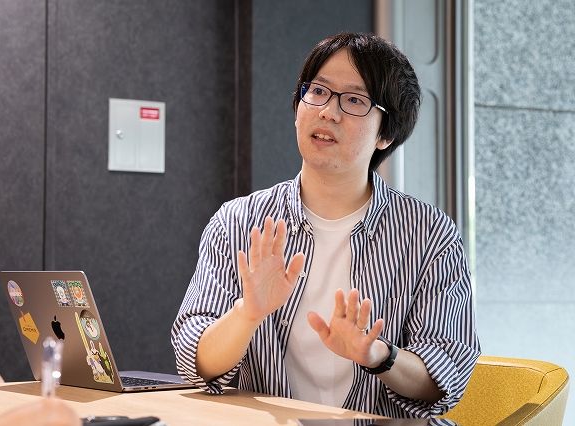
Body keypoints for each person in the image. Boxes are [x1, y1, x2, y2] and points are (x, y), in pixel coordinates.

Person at [171, 32, 480, 418]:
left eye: (354, 100)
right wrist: (247, 314)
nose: (328, 112)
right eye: (317, 91)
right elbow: (195, 363)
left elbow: (444, 378)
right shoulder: (238, 222)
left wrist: (377, 355)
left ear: (386, 134)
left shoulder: (429, 234)